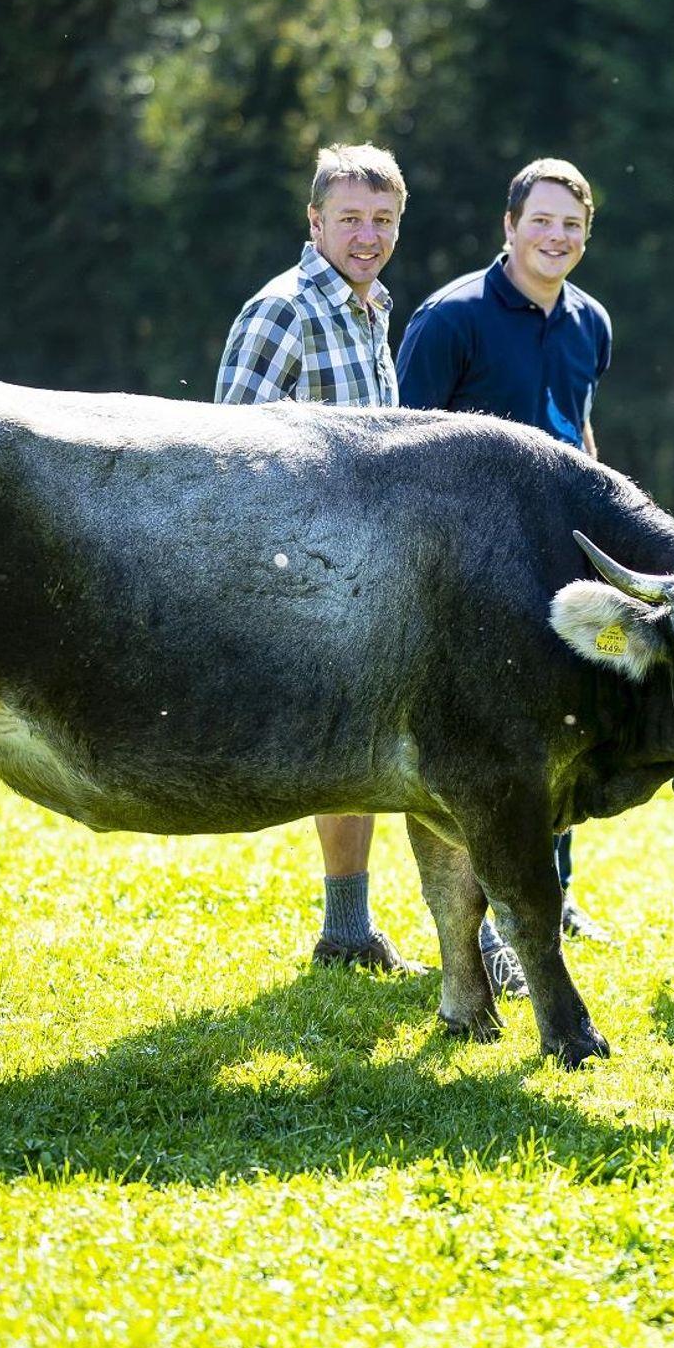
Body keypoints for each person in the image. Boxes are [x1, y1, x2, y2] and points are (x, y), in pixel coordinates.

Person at [395, 158, 613, 993]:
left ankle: (553, 897)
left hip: (561, 564)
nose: (556, 237)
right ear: (509, 225)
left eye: (572, 226)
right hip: (468, 573)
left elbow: (580, 431)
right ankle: (480, 922)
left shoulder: (591, 322)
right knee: (485, 747)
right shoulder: (450, 319)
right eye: (542, 221)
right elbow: (402, 450)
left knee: (564, 727)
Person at [214, 142, 423, 976]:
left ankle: (349, 932)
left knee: (366, 746)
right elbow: (229, 453)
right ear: (314, 222)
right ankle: (347, 929)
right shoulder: (284, 311)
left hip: (369, 571)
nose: (367, 236)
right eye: (350, 219)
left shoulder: (373, 309)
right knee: (348, 747)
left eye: (382, 220)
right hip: (304, 571)